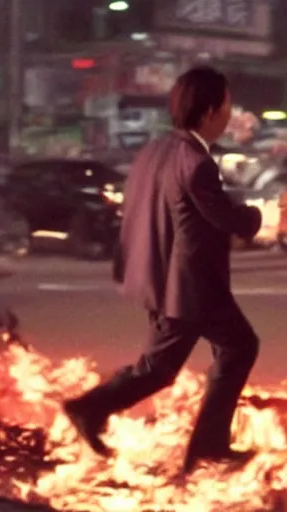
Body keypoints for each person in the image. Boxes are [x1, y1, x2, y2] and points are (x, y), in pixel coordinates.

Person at [63, 66, 263, 474]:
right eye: (226, 104)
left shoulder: (154, 151)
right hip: (192, 286)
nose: (228, 113)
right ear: (208, 111)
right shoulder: (197, 163)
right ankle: (204, 449)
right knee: (237, 347)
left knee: (164, 367)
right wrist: (262, 216)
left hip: (160, 278)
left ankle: (94, 409)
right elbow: (224, 218)